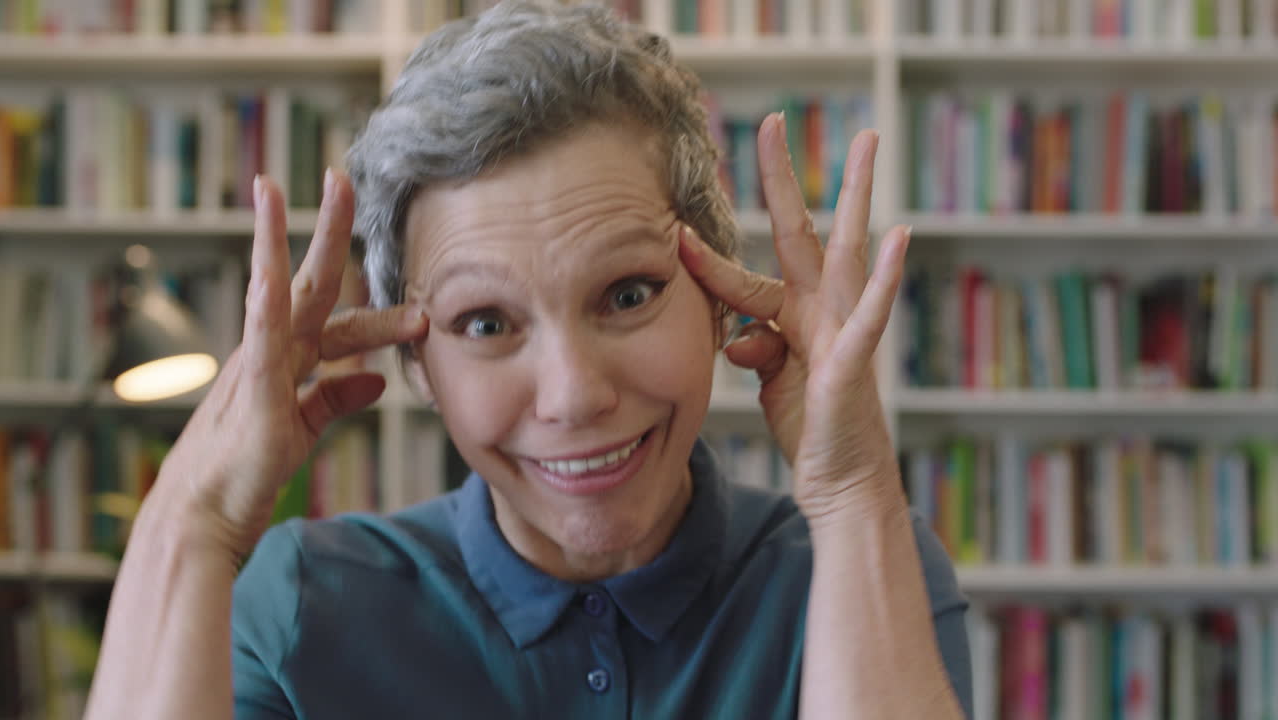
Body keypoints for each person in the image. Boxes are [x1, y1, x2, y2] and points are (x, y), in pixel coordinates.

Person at [83, 2, 971, 718]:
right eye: (484, 323)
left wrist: (853, 492)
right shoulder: (301, 606)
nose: (574, 395)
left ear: (717, 299)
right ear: (417, 365)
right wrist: (191, 520)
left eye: (628, 294)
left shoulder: (855, 564)